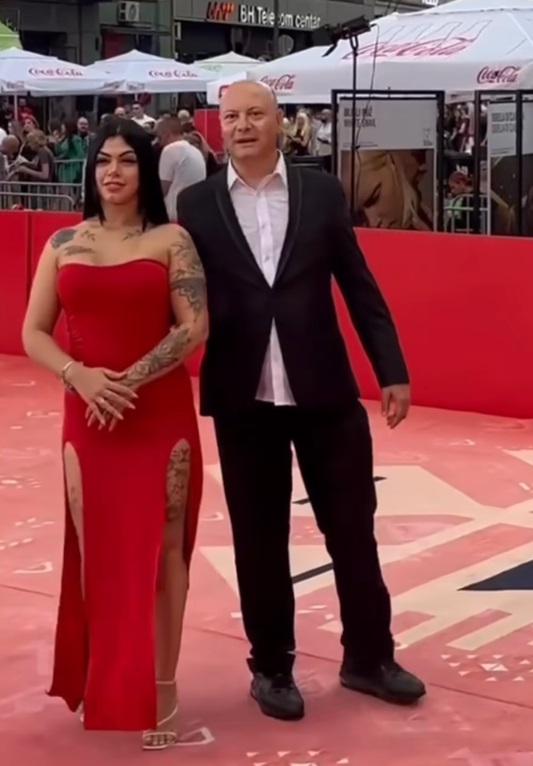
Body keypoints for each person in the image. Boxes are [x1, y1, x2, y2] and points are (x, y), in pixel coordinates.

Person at [177, 81, 425, 722]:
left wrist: (391, 369)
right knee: (259, 541)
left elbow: (358, 284)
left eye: (255, 114)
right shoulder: (196, 204)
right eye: (232, 116)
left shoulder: (321, 192)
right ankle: (271, 668)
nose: (242, 126)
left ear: (279, 122)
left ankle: (369, 658)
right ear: (220, 126)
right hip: (243, 397)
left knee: (353, 531)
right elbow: (179, 297)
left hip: (325, 392)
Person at [21, 118, 208, 749]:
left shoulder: (171, 239)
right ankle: (107, 680)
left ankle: (163, 687)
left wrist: (130, 379)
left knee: (166, 548)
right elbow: (33, 332)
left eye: (127, 160)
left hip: (158, 413)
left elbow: (194, 326)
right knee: (96, 549)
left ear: (146, 169)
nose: (113, 171)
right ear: (89, 169)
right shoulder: (62, 243)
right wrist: (80, 377)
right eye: (103, 160)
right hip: (88, 417)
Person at [157, 116, 207, 221]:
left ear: (167, 134)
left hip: (175, 215)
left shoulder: (170, 150)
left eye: (159, 137)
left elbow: (163, 188)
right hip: (195, 212)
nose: (159, 142)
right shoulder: (195, 151)